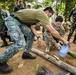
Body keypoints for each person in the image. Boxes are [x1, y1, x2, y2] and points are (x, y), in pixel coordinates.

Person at [0, 7, 69, 74]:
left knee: (31, 34)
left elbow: (32, 28)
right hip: (12, 20)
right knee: (20, 43)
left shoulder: (36, 17)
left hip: (20, 22)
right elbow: (52, 30)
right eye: (49, 16)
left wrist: (38, 37)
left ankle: (26, 53)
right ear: (47, 11)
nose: (48, 18)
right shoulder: (41, 13)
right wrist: (64, 40)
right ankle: (1, 61)